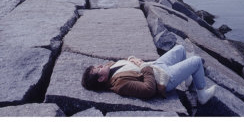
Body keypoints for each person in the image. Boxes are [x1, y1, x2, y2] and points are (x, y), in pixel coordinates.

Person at [81, 45, 217, 105]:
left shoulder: (110, 69)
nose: (100, 65)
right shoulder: (120, 84)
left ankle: (187, 78)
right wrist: (144, 66)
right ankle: (201, 95)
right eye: (97, 69)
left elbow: (124, 62)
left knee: (180, 49)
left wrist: (134, 60)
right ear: (101, 78)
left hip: (156, 66)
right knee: (196, 61)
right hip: (163, 79)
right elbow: (148, 90)